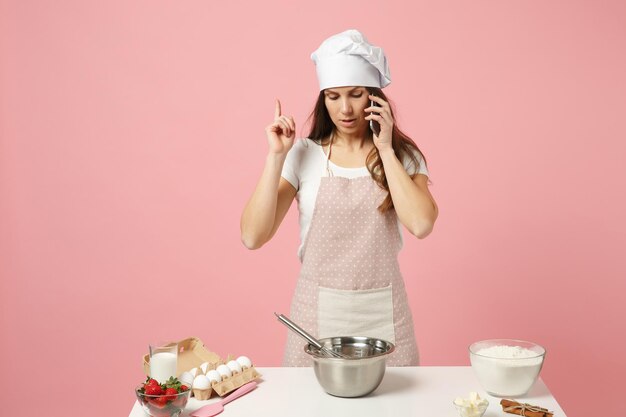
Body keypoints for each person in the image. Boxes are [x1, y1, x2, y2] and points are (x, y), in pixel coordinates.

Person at [240, 29, 438, 366]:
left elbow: (421, 224)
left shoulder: (404, 157)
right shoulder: (303, 154)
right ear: (323, 99)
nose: (345, 109)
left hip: (385, 322)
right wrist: (276, 157)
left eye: (356, 94)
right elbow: (252, 236)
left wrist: (386, 150)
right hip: (315, 321)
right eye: (333, 97)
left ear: (374, 97)